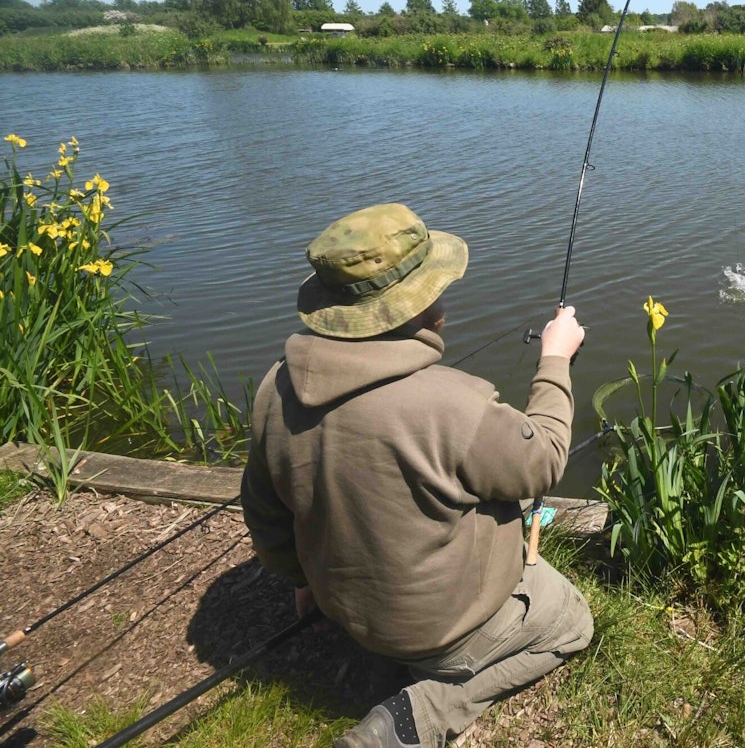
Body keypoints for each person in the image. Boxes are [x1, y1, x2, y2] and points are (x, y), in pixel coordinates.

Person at [240, 203, 592, 748]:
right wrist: (556, 359)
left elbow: (265, 516)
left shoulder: (274, 390)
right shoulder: (456, 405)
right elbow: (543, 458)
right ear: (425, 303)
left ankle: (390, 658)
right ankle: (420, 713)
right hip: (442, 630)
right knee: (572, 623)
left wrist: (302, 581)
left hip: (343, 612)